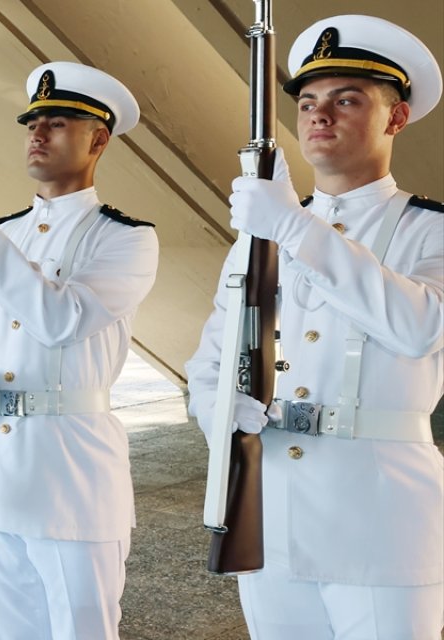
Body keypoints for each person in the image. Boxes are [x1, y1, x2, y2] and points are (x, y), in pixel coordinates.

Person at [186, 15, 444, 639]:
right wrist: (221, 417)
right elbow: (210, 363)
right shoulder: (261, 231)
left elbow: (417, 327)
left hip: (380, 525)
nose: (319, 115)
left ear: (396, 118)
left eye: (346, 100)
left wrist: (295, 229)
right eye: (307, 102)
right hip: (269, 511)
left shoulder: (428, 229)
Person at [0, 62, 158, 639]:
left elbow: (61, 318)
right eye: (33, 122)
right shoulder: (4, 231)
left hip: (71, 476)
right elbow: (3, 340)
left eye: (57, 123)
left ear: (98, 139)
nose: (38, 133)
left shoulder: (125, 238)